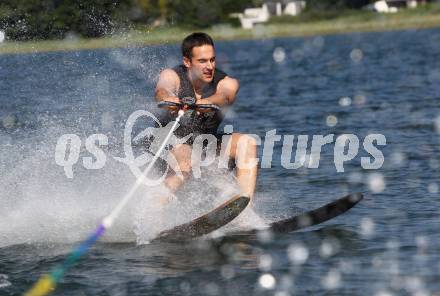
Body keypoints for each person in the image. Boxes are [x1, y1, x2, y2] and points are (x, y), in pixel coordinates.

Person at [154, 32, 257, 202]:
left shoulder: (226, 82)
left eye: (212, 60)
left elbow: (224, 96)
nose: (209, 66)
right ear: (187, 62)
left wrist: (207, 101)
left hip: (203, 146)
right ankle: (153, 212)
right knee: (186, 157)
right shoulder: (172, 75)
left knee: (247, 143)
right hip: (166, 147)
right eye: (202, 61)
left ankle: (243, 207)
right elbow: (162, 90)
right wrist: (168, 99)